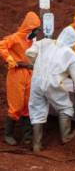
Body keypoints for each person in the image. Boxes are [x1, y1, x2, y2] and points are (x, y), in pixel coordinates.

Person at [0, 11, 41, 145]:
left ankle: (27, 137)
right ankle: (8, 134)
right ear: (28, 28)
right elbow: (2, 46)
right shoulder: (15, 37)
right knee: (16, 105)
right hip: (16, 73)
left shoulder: (32, 41)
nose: (35, 33)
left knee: (28, 105)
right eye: (34, 30)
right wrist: (9, 59)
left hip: (29, 73)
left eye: (36, 31)